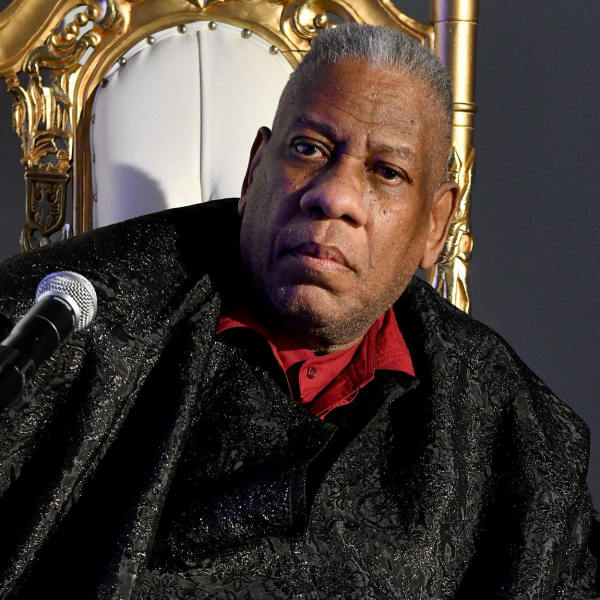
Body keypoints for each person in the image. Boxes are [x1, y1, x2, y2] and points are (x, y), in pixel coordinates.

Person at [0, 23, 598, 599]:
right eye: (309, 149)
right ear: (254, 168)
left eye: (387, 173)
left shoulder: (513, 433)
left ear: (435, 224)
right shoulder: (73, 324)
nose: (334, 196)